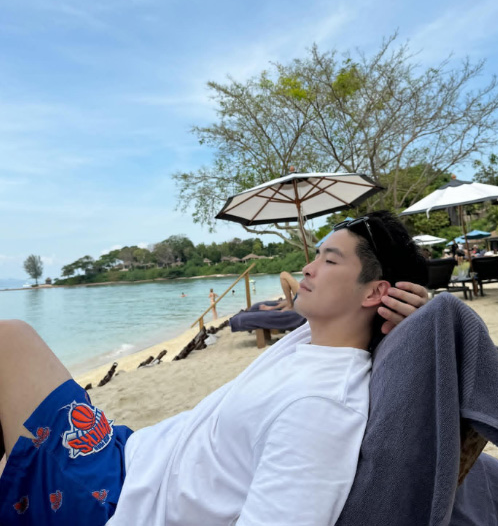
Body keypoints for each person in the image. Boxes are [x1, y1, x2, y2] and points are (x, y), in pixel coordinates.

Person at [0, 211, 428, 525]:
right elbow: (409, 326)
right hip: (128, 453)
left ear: (374, 292)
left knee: (9, 340)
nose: (308, 268)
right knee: (11, 338)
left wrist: (418, 321)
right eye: (316, 255)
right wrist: (411, 320)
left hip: (119, 501)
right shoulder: (312, 341)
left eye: (329, 261)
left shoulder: (321, 408)